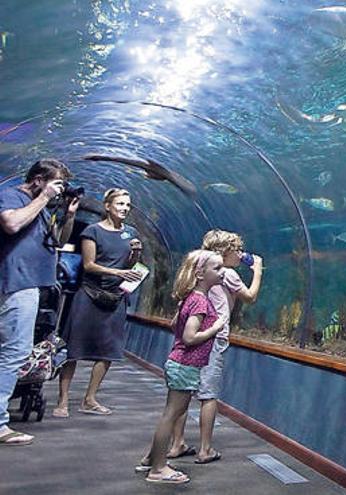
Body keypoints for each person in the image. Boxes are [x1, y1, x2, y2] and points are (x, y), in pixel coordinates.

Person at [0, 158, 77, 446]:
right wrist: (45, 197)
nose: (59, 190)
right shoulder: (12, 194)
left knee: (10, 352)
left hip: (27, 285)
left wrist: (68, 215)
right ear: (37, 180)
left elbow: (56, 243)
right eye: (56, 183)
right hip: (15, 284)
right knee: (13, 353)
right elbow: (10, 223)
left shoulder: (39, 207)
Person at [168, 229, 262, 464]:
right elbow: (250, 297)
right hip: (213, 338)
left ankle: (176, 443)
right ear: (223, 253)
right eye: (236, 250)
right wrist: (257, 270)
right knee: (208, 394)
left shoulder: (197, 268)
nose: (240, 254)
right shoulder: (227, 274)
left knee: (183, 391)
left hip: (189, 335)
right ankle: (205, 449)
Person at [138, 249, 227, 485]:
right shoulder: (200, 301)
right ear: (200, 273)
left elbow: (175, 323)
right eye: (217, 268)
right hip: (185, 364)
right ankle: (158, 469)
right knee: (171, 415)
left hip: (180, 363)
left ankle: (151, 458)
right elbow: (189, 337)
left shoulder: (190, 297)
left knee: (171, 413)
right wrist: (215, 328)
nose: (223, 272)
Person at [54, 188, 143, 417]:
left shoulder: (130, 232)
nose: (124, 208)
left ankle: (90, 398)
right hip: (89, 294)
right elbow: (89, 265)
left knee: (108, 351)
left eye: (127, 205)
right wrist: (119, 272)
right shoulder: (92, 231)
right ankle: (62, 401)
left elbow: (131, 264)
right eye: (120, 204)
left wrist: (135, 256)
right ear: (107, 206)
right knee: (73, 348)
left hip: (115, 297)